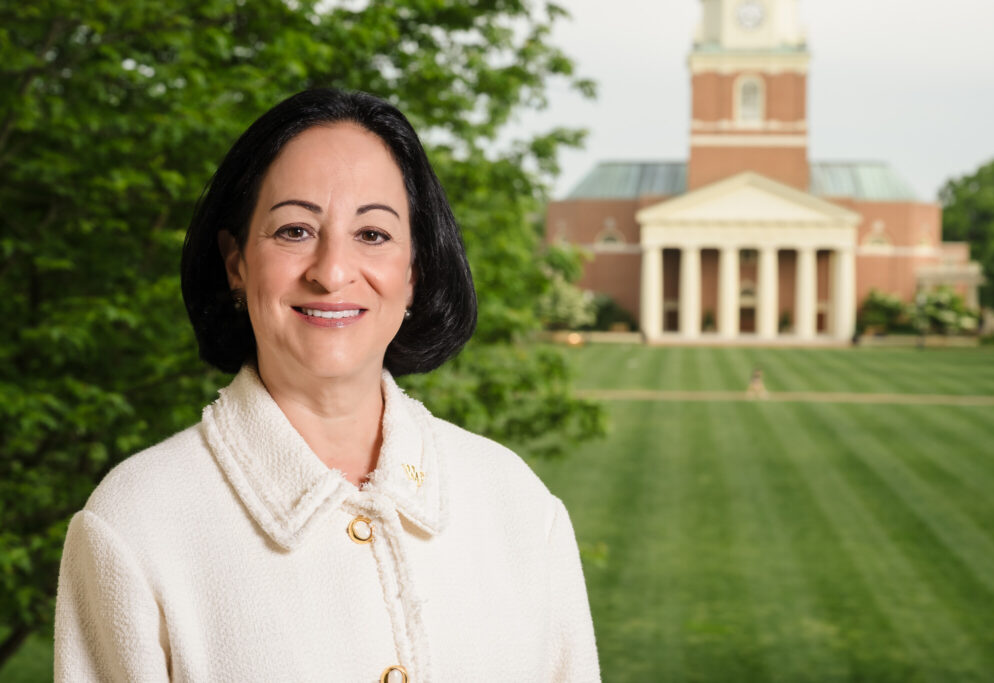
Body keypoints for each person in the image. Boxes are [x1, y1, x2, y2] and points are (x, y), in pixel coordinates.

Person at [54, 89, 600, 682]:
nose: (332, 271)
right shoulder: (135, 523)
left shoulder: (517, 504)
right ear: (236, 263)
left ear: (413, 271)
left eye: (372, 234)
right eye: (294, 230)